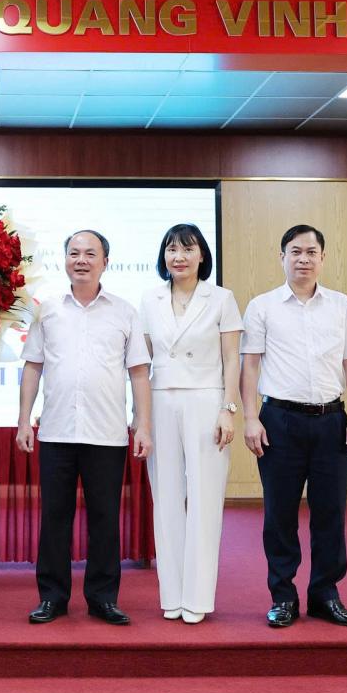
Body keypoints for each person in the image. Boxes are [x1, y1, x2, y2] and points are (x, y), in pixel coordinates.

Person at [17, 229, 152, 626]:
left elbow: (139, 373)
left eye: (90, 254)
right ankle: (52, 598)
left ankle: (103, 598)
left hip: (106, 434)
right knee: (54, 519)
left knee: (105, 519)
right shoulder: (48, 311)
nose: (81, 260)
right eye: (74, 253)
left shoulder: (124, 312)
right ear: (64, 261)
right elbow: (33, 367)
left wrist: (143, 424)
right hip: (56, 431)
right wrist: (23, 419)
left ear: (105, 262)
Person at [240, 224, 347, 629]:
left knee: (330, 512)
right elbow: (250, 366)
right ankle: (283, 596)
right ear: (282, 257)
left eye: (311, 252)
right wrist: (249, 417)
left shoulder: (342, 306)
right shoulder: (262, 306)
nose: (303, 259)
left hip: (331, 420)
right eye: (295, 252)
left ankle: (325, 594)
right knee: (279, 514)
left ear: (323, 258)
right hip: (279, 421)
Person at [140, 223, 242, 624]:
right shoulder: (149, 299)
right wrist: (140, 415)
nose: (178, 256)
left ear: (202, 256)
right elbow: (143, 361)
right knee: (165, 498)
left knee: (204, 499)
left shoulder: (221, 298)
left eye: (187, 248)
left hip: (206, 400)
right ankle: (172, 594)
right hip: (161, 399)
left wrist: (228, 408)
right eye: (171, 249)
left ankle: (198, 597)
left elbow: (231, 358)